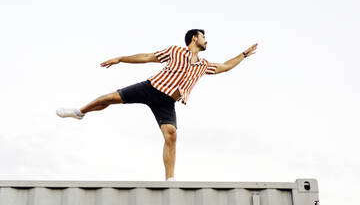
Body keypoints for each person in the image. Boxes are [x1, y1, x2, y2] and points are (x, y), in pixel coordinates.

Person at [56, 29, 258, 181]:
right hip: (150, 87)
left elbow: (225, 67)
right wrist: (120, 59)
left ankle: (170, 179)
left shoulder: (204, 65)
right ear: (194, 38)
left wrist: (244, 54)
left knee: (171, 134)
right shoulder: (175, 51)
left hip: (167, 102)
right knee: (109, 98)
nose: (207, 40)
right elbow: (147, 57)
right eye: (203, 37)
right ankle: (80, 111)